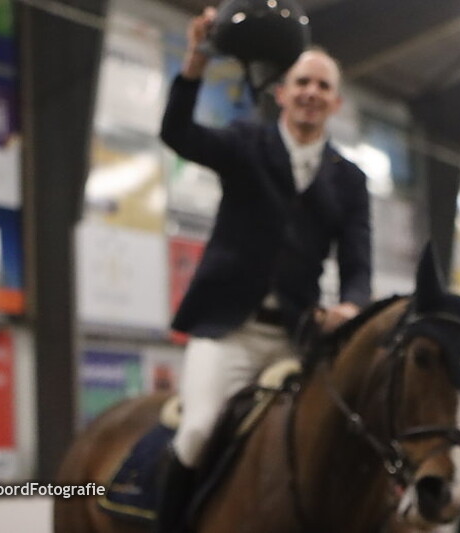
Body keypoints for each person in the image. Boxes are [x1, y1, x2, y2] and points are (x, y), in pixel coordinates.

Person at [156, 7, 372, 532]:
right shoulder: (244, 143)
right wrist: (196, 60)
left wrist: (351, 307)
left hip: (298, 337)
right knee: (198, 431)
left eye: (323, 86)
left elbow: (357, 264)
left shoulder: (350, 180)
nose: (311, 92)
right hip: (228, 333)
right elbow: (177, 132)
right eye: (302, 82)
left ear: (336, 103)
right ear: (281, 92)